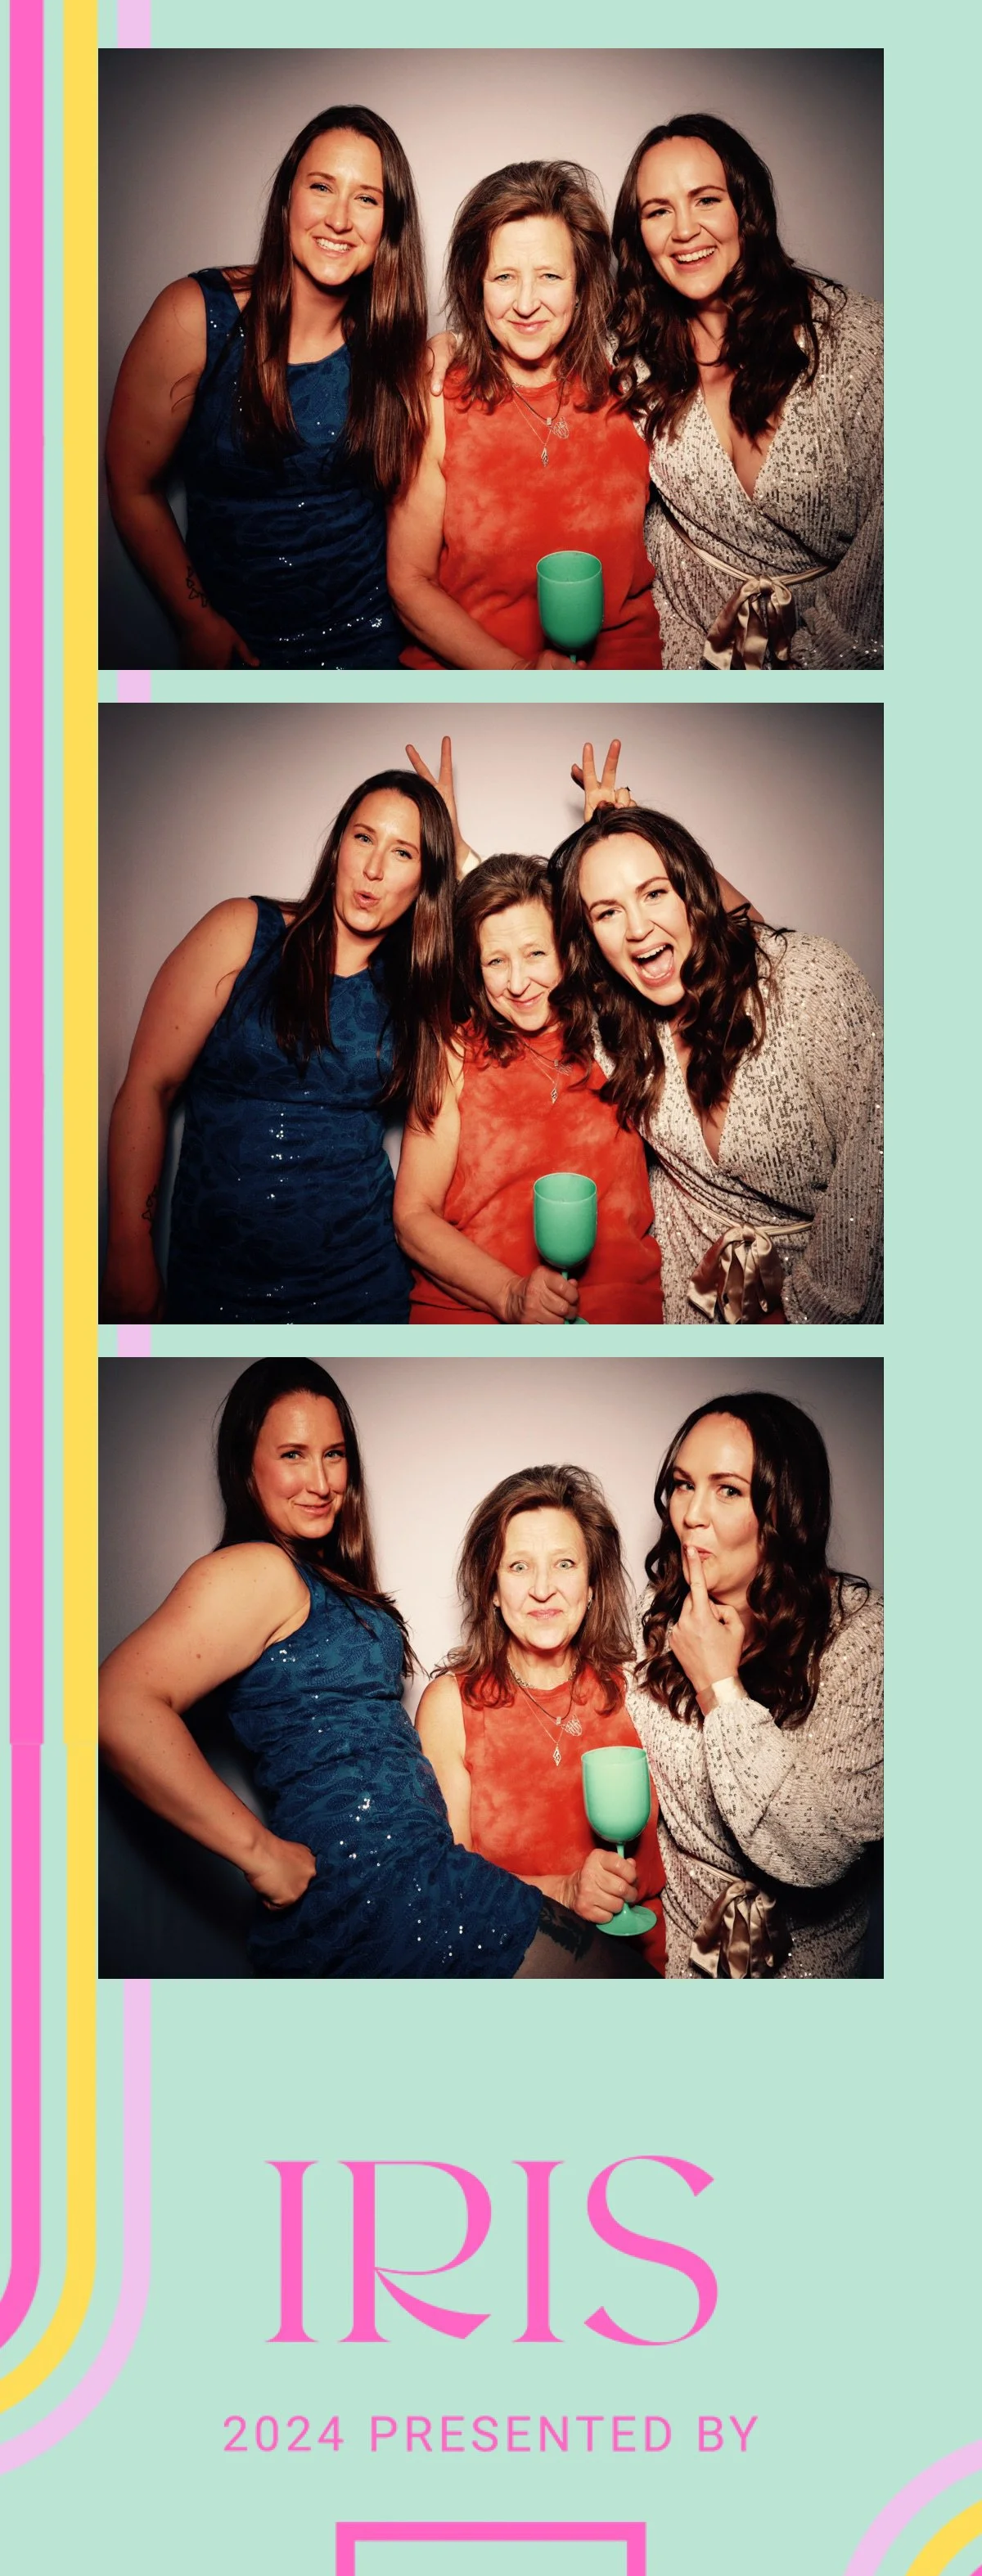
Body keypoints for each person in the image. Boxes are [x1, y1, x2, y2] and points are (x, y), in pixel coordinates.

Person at [97, 1361, 615, 1980]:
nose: (319, 1481)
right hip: (374, 1896)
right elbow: (117, 1703)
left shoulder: (317, 1576)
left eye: (334, 1455)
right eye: (293, 1454)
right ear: (245, 1469)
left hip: (427, 1878)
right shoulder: (259, 1568)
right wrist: (258, 1852)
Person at [100, 771, 457, 1324]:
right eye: (364, 838)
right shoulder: (243, 930)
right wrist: (126, 1246)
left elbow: (517, 968)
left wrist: (464, 861)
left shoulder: (418, 992)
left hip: (361, 1288)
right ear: (338, 846)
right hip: (215, 1285)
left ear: (426, 876)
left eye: (404, 852)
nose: (374, 868)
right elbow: (151, 1084)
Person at [105, 106, 429, 668]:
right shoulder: (194, 317)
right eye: (322, 186)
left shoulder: (394, 347)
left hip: (377, 648)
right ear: (288, 199)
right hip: (241, 654)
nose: (339, 218)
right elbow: (132, 483)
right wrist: (195, 620)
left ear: (387, 228)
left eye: (367, 199)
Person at [552, 802, 883, 1323]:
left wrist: (798, 1321)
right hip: (689, 1301)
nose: (637, 928)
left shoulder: (810, 982)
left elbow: (878, 1173)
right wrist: (457, 869)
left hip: (832, 1303)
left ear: (694, 891)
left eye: (655, 892)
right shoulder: (617, 1029)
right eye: (607, 911)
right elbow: (516, 961)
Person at [610, 115, 883, 670]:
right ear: (639, 234)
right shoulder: (627, 349)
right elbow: (532, 325)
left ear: (746, 209)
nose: (683, 230)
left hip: (837, 658)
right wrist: (446, 350)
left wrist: (802, 668)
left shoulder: (861, 341)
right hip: (673, 646)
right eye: (658, 211)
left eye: (705, 200)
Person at [627, 1394, 883, 1977]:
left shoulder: (866, 1641)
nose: (692, 1514)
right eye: (682, 1484)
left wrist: (719, 1684)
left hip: (809, 1967)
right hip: (670, 1952)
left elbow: (817, 1850)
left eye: (728, 1490)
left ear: (787, 1508)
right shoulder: (653, 1613)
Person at [387, 160, 660, 670]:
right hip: (470, 676)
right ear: (477, 285)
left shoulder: (633, 384)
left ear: (581, 287)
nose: (527, 303)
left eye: (551, 276)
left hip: (621, 675)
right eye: (505, 277)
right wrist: (514, 675)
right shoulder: (436, 395)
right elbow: (410, 581)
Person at [394, 842, 664, 1324]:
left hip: (617, 1317)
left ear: (567, 948)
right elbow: (413, 1217)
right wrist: (510, 1294)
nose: (517, 983)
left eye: (536, 953)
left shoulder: (625, 1034)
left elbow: (736, 948)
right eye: (496, 962)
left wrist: (624, 835)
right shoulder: (453, 1052)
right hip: (474, 1315)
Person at [417, 1464, 666, 1976]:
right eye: (519, 1567)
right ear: (491, 1588)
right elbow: (446, 1886)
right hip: (516, 1969)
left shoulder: (639, 1687)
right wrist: (566, 1890)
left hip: (650, 1970)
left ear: (593, 1583)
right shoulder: (451, 1704)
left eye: (565, 1564)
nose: (544, 1589)